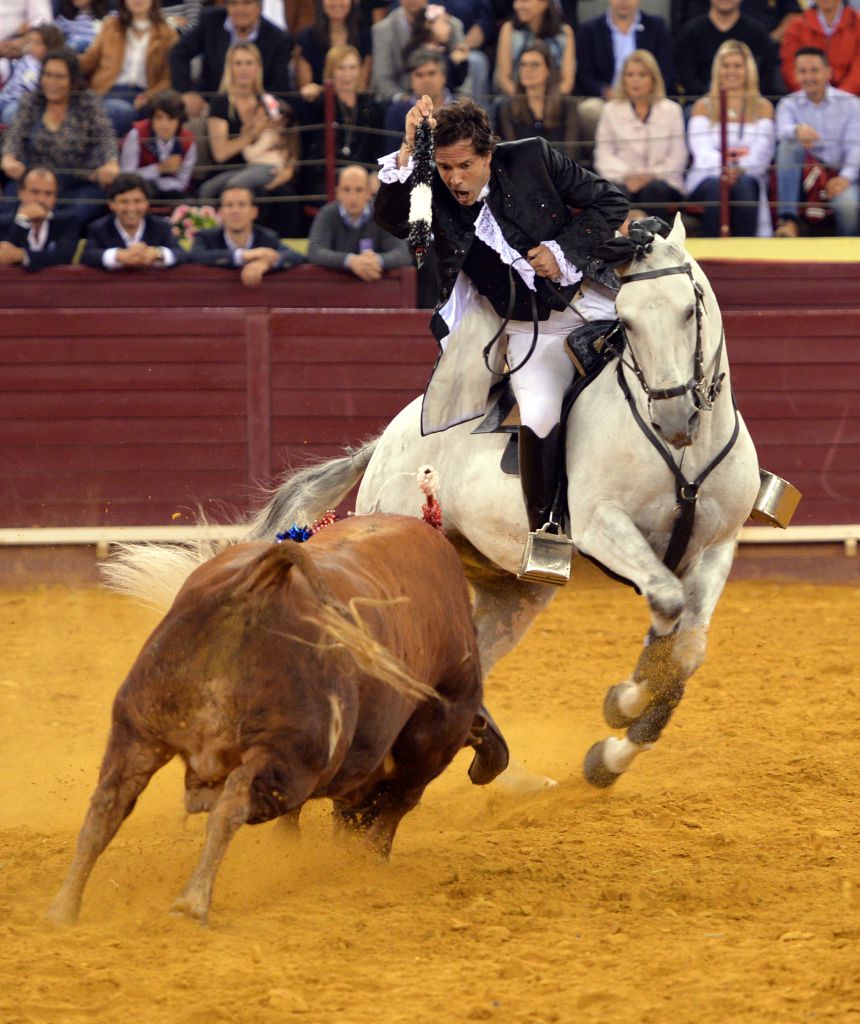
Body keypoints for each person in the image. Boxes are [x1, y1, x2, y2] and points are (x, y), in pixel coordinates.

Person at [374, 96, 628, 583]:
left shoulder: (531, 155)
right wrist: (410, 150)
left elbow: (609, 199)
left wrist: (562, 250)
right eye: (445, 167)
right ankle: (547, 529)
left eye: (466, 165)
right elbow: (391, 218)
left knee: (671, 342)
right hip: (531, 329)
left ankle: (733, 473)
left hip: (593, 296)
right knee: (538, 412)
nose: (456, 179)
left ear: (489, 155)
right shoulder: (434, 192)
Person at [1, 48, 119, 226]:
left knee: (73, 216)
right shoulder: (31, 100)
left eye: (59, 77)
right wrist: (8, 158)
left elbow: (105, 136)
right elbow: (15, 134)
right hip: (34, 182)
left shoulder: (88, 101)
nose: (52, 82)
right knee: (9, 215)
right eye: (47, 75)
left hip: (77, 183)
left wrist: (111, 163)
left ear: (72, 79)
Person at [686, 40, 775, 236]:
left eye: (738, 66)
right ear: (718, 69)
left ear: (748, 70)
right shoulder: (703, 106)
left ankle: (744, 255)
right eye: (726, 66)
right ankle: (712, 255)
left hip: (749, 174)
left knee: (744, 186)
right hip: (708, 175)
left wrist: (739, 169)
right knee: (717, 186)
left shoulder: (763, 107)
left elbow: (763, 150)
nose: (731, 71)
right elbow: (701, 151)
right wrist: (724, 169)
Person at [594, 50, 688, 226]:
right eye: (630, 75)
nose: (635, 80)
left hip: (662, 181)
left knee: (654, 191)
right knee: (615, 193)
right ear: (623, 80)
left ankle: (660, 242)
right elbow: (604, 155)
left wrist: (650, 175)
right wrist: (628, 176)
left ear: (653, 80)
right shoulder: (610, 110)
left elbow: (678, 156)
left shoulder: (672, 110)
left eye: (642, 75)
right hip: (623, 179)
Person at [774, 47, 860, 236]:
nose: (809, 77)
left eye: (814, 70)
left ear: (828, 72)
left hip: (843, 175)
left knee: (848, 205)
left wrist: (844, 178)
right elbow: (781, 132)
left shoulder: (851, 104)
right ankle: (788, 219)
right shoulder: (788, 104)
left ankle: (848, 259)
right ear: (795, 75)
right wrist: (796, 130)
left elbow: (856, 147)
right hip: (807, 178)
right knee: (788, 145)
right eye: (803, 71)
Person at [575, 0, 675, 151]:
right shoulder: (590, 29)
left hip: (648, 98)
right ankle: (599, 163)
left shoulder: (657, 26)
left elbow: (666, 71)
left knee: (670, 110)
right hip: (607, 99)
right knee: (588, 110)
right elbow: (584, 74)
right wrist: (605, 91)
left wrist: (647, 93)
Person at [168, 0, 293, 119]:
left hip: (256, 110)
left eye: (247, 3)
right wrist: (187, 92)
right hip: (208, 105)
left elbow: (279, 85)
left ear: (259, 7)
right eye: (234, 3)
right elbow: (179, 53)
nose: (240, 9)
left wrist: (254, 107)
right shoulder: (210, 20)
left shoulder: (278, 39)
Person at [198, 42, 290, 202]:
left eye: (249, 63)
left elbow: (286, 142)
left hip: (262, 165)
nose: (244, 69)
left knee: (281, 190)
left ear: (258, 67)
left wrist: (289, 170)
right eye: (238, 63)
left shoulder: (268, 102)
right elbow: (221, 154)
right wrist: (253, 134)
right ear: (230, 68)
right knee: (212, 190)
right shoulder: (220, 103)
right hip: (228, 169)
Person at [296, 43, 387, 197]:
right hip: (324, 177)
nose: (347, 74)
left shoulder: (371, 105)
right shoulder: (318, 102)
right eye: (341, 68)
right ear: (331, 71)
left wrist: (373, 173)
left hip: (363, 177)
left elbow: (377, 149)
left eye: (352, 68)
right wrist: (307, 95)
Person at [78, 0, 178, 137]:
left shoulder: (167, 34)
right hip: (108, 91)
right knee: (119, 111)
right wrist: (64, 67)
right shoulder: (111, 25)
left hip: (145, 96)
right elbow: (89, 59)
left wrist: (149, 96)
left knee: (122, 112)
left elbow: (168, 78)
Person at [308, 164, 412, 278]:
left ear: (368, 192)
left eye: (359, 190)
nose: (353, 197)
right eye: (346, 189)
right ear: (338, 193)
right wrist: (350, 261)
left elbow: (403, 253)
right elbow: (315, 251)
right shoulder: (327, 214)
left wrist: (376, 260)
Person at [188, 183, 305, 286]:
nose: (235, 211)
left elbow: (296, 256)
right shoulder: (206, 237)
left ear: (254, 212)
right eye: (229, 205)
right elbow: (195, 256)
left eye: (242, 205)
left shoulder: (267, 237)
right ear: (221, 212)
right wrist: (242, 255)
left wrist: (267, 263)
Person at [494, 42, 581, 163]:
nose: (527, 70)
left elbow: (571, 151)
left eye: (535, 65)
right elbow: (510, 153)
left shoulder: (567, 105)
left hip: (561, 175)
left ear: (548, 70)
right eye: (523, 65)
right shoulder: (507, 107)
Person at [675, 0, 775, 102]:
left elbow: (766, 74)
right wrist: (712, 97)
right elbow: (686, 76)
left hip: (748, 102)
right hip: (702, 102)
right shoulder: (691, 32)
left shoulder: (757, 33)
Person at [81, 171, 185, 268]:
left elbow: (181, 255)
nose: (131, 208)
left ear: (147, 203)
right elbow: (87, 256)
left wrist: (157, 254)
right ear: (111, 204)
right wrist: (119, 256)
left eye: (138, 201)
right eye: (124, 201)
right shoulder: (99, 228)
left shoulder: (161, 226)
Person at [371, 0, 465, 102]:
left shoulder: (451, 24)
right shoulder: (383, 30)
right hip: (407, 98)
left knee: (476, 60)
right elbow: (383, 77)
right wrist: (403, 99)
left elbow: (463, 77)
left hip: (448, 98)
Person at [119, 88, 198, 200]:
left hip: (173, 194)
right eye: (158, 117)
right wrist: (159, 169)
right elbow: (126, 177)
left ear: (179, 120)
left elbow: (182, 182)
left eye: (171, 118)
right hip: (139, 193)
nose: (164, 124)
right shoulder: (136, 134)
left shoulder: (188, 141)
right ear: (151, 118)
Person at [0, 166, 80, 270]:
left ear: (55, 196)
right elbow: (5, 256)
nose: (41, 199)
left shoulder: (67, 221)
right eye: (35, 192)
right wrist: (21, 221)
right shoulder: (3, 222)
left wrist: (22, 255)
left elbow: (64, 256)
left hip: (53, 284)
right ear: (21, 193)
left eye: (48, 193)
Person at [494, 0, 576, 97]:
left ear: (544, 3)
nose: (518, 6)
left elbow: (567, 82)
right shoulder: (509, 29)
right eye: (516, 1)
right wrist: (526, 101)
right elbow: (503, 79)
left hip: (555, 101)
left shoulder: (565, 33)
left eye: (525, 1)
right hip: (515, 100)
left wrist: (549, 102)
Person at [780, 0, 860, 96]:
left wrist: (840, 96)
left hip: (852, 98)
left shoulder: (857, 23)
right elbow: (790, 66)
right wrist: (811, 95)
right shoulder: (797, 26)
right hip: (806, 98)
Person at [294, 0, 372, 97]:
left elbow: (361, 87)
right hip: (317, 104)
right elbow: (307, 90)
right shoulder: (306, 38)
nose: (337, 2)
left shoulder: (365, 36)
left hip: (354, 106)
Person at [0, 22, 64, 125]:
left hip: (24, 103)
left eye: (38, 43)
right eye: (31, 42)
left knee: (8, 114)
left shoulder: (50, 68)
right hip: (6, 96)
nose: (32, 46)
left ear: (50, 46)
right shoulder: (27, 59)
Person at [384, 48, 453, 135]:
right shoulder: (397, 112)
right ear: (411, 80)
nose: (426, 80)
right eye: (419, 75)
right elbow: (393, 148)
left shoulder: (461, 109)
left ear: (444, 77)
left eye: (431, 73)